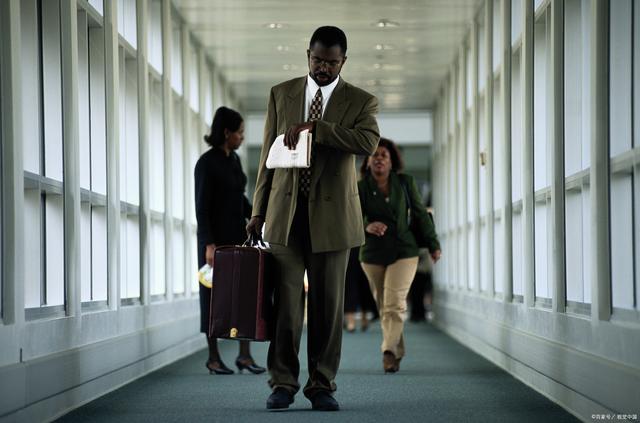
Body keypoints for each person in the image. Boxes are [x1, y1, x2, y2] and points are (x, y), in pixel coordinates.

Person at [246, 26, 379, 411]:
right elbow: (267, 156)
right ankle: (282, 383)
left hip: (334, 219)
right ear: (308, 54)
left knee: (327, 308)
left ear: (344, 61)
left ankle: (322, 384)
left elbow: (367, 142)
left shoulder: (361, 101)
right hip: (285, 215)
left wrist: (318, 129)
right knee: (286, 305)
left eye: (332, 62)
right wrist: (257, 209)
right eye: (318, 60)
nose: (323, 68)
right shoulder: (281, 93)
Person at [357, 138, 441, 373]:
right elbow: (351, 215)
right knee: (385, 306)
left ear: (392, 161)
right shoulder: (360, 187)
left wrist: (433, 244)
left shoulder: (405, 182)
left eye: (384, 154)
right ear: (367, 162)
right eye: (374, 155)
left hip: (404, 250)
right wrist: (367, 225)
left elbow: (420, 214)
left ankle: (388, 351)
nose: (379, 158)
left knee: (394, 304)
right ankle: (397, 350)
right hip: (372, 253)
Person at [194, 106, 266, 376]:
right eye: (240, 132)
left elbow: (240, 198)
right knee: (213, 299)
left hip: (238, 239)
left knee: (243, 296)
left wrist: (257, 216)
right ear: (227, 132)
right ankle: (213, 358)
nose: (242, 137)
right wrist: (208, 244)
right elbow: (201, 207)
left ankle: (244, 356)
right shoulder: (206, 163)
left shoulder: (233, 161)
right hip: (215, 243)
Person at [344, 246, 378, 332]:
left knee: (365, 284)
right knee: (350, 283)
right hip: (350, 247)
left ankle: (364, 316)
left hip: (365, 247)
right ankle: (351, 319)